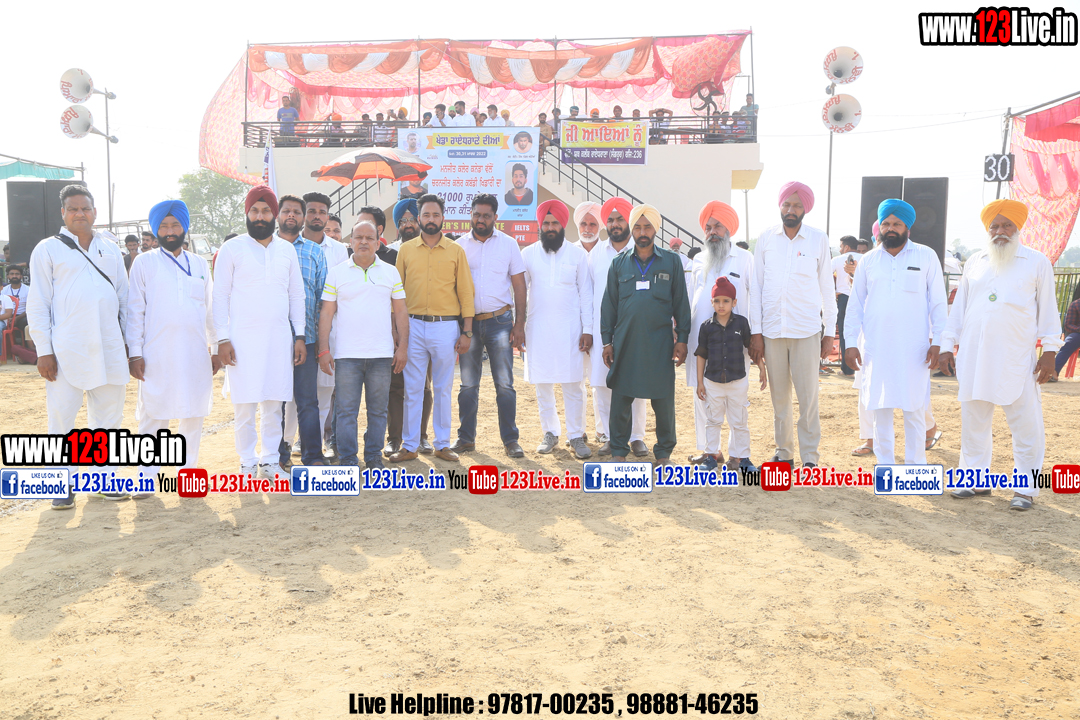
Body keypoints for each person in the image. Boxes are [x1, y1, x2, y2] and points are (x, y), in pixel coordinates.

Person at [939, 199, 1061, 510]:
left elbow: (1049, 311)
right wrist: (947, 345)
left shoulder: (1036, 262)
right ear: (988, 230)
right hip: (974, 355)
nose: (1000, 231)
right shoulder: (975, 261)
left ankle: (1025, 489)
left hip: (1016, 357)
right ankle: (973, 480)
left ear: (1018, 228)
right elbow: (959, 309)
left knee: (1026, 426)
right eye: (994, 226)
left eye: (1007, 225)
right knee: (974, 422)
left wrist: (1049, 352)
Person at [28, 185, 130, 508]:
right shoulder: (47, 249)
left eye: (85, 208)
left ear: (94, 212)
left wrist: (129, 343)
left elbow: (124, 299)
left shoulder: (111, 249)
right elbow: (38, 303)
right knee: (61, 420)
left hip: (109, 346)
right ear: (63, 213)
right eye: (72, 209)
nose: (79, 214)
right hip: (65, 349)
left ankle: (104, 479)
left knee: (109, 418)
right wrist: (44, 350)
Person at [843, 200, 946, 465]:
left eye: (897, 223)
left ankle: (915, 465)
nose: (890, 228)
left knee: (914, 408)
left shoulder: (926, 256)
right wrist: (850, 343)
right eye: (886, 223)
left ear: (907, 227)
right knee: (880, 407)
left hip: (915, 348)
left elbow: (938, 302)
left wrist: (939, 342)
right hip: (877, 346)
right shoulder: (868, 260)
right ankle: (885, 464)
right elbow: (855, 305)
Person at [214, 186, 305, 479]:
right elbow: (219, 296)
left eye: (266, 211)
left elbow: (296, 295)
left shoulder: (286, 250)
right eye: (254, 210)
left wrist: (300, 336)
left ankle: (269, 461)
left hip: (279, 339)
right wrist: (222, 339)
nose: (260, 216)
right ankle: (246, 461)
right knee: (244, 404)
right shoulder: (232, 249)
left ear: (274, 214)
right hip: (241, 339)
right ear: (247, 213)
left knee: (274, 403)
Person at [127, 200, 218, 483]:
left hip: (195, 352)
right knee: (154, 413)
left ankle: (187, 473)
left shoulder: (199, 263)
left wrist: (215, 348)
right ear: (156, 230)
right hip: (156, 353)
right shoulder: (144, 262)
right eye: (164, 226)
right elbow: (135, 310)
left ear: (184, 227)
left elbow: (210, 309)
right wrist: (134, 353)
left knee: (193, 412)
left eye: (175, 225)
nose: (170, 231)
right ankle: (147, 476)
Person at [749, 182, 837, 469]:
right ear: (780, 206)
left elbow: (827, 288)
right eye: (787, 204)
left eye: (797, 205)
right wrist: (756, 332)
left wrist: (829, 332)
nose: (791, 210)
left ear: (805, 209)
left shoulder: (818, 239)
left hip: (806, 331)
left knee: (808, 398)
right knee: (779, 398)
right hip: (772, 331)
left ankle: (810, 458)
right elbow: (756, 288)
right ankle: (784, 452)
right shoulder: (766, 238)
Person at [600, 204, 692, 463]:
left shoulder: (671, 261)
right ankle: (619, 450)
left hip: (660, 342)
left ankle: (663, 453)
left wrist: (682, 339)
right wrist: (607, 342)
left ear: (655, 229)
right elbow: (609, 305)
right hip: (625, 342)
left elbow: (681, 303)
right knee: (621, 397)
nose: (642, 232)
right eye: (638, 227)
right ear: (632, 229)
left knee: (663, 399)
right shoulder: (619, 263)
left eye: (647, 227)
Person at [390, 194, 475, 463]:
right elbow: (396, 294)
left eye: (435, 215)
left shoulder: (456, 251)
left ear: (443, 218)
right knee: (412, 388)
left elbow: (466, 292)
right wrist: (396, 330)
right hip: (412, 326)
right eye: (426, 215)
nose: (430, 219)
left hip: (446, 327)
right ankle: (410, 445)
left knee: (443, 388)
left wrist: (467, 331)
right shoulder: (405, 251)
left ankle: (442, 444)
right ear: (419, 218)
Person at [319, 220, 408, 469]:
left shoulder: (390, 272)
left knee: (378, 411)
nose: (364, 242)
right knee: (346, 411)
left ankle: (372, 456)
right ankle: (348, 458)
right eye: (359, 237)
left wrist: (402, 348)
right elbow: (326, 313)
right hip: (347, 356)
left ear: (378, 243)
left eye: (370, 238)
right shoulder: (337, 272)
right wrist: (324, 349)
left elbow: (401, 311)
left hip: (381, 355)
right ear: (350, 242)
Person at [451, 194, 526, 457]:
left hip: (500, 322)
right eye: (476, 215)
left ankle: (510, 440)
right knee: (468, 385)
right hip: (468, 325)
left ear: (495, 217)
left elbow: (519, 285)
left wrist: (519, 324)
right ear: (470, 215)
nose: (480, 220)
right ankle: (465, 439)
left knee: (504, 384)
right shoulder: (459, 247)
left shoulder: (509, 244)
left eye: (486, 215)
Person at [686, 201, 756, 469]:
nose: (712, 231)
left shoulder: (745, 258)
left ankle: (737, 455)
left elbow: (755, 297)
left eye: (717, 226)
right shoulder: (698, 259)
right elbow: (693, 296)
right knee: (702, 394)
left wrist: (756, 335)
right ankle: (710, 452)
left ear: (729, 229)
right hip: (702, 339)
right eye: (708, 227)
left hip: (736, 341)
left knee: (736, 399)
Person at [522, 200, 593, 458]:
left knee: (573, 384)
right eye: (546, 223)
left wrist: (588, 329)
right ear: (540, 226)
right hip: (538, 329)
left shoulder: (577, 255)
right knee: (543, 384)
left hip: (571, 331)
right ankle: (550, 432)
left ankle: (576, 435)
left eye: (555, 223)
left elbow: (586, 294)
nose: (550, 228)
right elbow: (519, 293)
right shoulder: (528, 254)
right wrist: (519, 326)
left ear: (563, 225)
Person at [589, 198, 649, 456]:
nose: (615, 224)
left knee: (636, 382)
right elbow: (588, 293)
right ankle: (611, 437)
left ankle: (636, 437)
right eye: (611, 220)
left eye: (620, 219)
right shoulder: (595, 254)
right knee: (603, 384)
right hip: (602, 330)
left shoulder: (642, 251)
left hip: (635, 329)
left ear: (630, 222)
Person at [274, 195, 328, 470]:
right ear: (278, 215)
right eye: (286, 211)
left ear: (303, 217)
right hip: (272, 338)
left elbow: (322, 299)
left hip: (305, 339)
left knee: (308, 401)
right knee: (275, 401)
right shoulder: (265, 249)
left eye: (297, 211)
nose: (291, 215)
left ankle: (312, 456)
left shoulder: (314, 251)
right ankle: (277, 456)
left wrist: (318, 339)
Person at [378, 201, 434, 455]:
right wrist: (392, 329)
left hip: (424, 326)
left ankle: (421, 436)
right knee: (396, 385)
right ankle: (394, 438)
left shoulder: (428, 249)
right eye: (403, 221)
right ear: (397, 224)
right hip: (394, 327)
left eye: (413, 219)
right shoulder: (388, 254)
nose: (409, 224)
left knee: (423, 385)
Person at [695, 277, 767, 471]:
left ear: (734, 302)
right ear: (712, 302)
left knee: (739, 421)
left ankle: (743, 459)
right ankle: (711, 456)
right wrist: (700, 382)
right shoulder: (706, 327)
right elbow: (701, 354)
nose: (721, 305)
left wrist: (762, 367)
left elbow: (751, 347)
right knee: (713, 421)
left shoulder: (741, 323)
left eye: (726, 301)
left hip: (737, 382)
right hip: (712, 382)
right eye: (717, 301)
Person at [303, 192, 349, 455]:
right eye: (312, 211)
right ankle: (290, 444)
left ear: (327, 215)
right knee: (295, 394)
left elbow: (342, 290)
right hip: (298, 331)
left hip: (329, 331)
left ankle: (317, 446)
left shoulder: (339, 250)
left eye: (322, 211)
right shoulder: (289, 245)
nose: (317, 216)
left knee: (324, 392)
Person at [833, 235, 860, 375]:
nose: (840, 249)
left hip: (844, 299)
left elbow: (825, 276)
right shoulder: (866, 258)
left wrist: (833, 292)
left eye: (841, 246)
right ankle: (862, 367)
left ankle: (848, 369)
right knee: (862, 332)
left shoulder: (837, 260)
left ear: (847, 247)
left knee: (845, 333)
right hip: (862, 299)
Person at [1055, 284, 1080, 378]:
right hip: (1078, 334)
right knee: (1069, 342)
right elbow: (1068, 325)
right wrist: (1078, 329)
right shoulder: (1076, 304)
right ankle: (1054, 372)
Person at [3, 265, 30, 340]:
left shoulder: (28, 290)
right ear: (8, 276)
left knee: (27, 323)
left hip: (22, 316)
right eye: (12, 274)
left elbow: (30, 308)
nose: (14, 276)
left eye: (17, 274)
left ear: (21, 276)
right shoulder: (4, 290)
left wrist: (17, 318)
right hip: (7, 316)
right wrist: (8, 317)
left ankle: (24, 345)